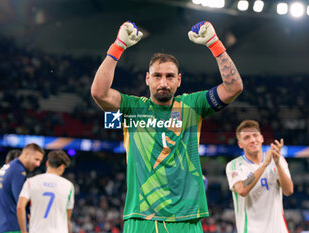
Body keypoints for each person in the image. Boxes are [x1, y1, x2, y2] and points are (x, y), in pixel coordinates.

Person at [91, 20, 243, 233]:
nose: (163, 82)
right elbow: (99, 93)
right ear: (147, 79)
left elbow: (234, 87)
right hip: (142, 216)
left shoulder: (192, 106)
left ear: (179, 80)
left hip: (187, 217)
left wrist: (215, 44)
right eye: (157, 76)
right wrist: (117, 47)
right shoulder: (133, 108)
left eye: (170, 76)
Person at [225, 120, 294, 233]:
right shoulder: (234, 165)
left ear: (261, 138)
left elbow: (289, 191)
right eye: (247, 137)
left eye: (255, 135)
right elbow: (242, 190)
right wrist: (264, 165)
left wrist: (277, 164)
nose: (252, 140)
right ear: (240, 144)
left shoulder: (278, 159)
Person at [17, 150, 74, 233]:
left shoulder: (31, 182)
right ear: (62, 167)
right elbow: (67, 218)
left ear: (47, 163)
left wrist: (23, 231)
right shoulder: (69, 186)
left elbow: (20, 207)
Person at [0, 143, 44, 233]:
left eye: (40, 161)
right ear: (27, 154)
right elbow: (20, 205)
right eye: (36, 159)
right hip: (12, 228)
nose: (38, 164)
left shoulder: (7, 167)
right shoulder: (18, 171)